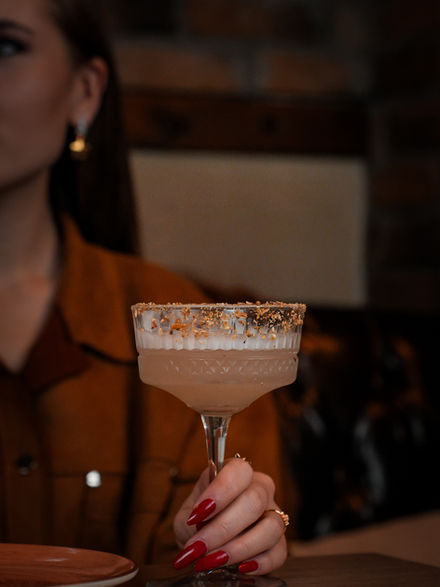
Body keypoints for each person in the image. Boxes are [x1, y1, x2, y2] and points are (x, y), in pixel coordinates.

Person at [0, 0, 292, 574]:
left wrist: (237, 537)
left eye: (6, 46)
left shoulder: (193, 336)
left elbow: (236, 544)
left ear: (85, 91)